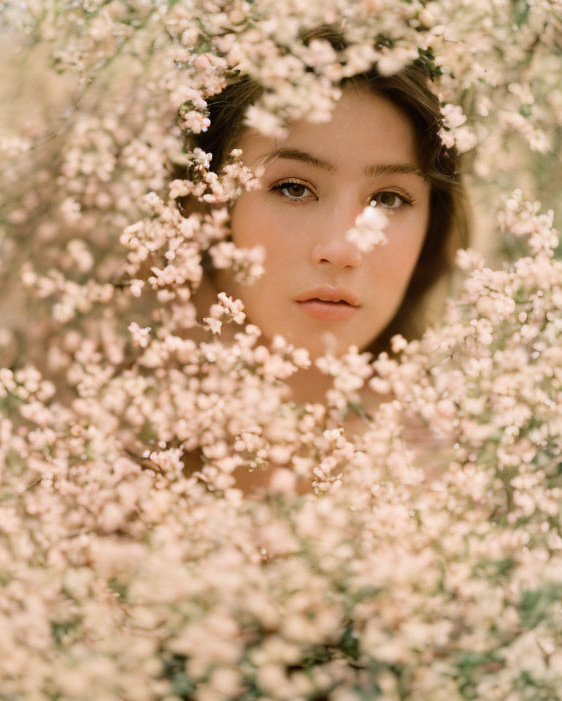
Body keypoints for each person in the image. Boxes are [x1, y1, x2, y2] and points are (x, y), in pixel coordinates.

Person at [184, 24, 470, 492]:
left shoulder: (469, 476)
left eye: (388, 199)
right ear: (205, 204)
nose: (342, 249)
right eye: (293, 188)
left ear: (431, 228)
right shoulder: (85, 443)